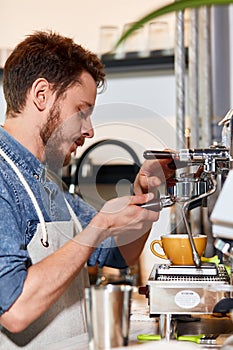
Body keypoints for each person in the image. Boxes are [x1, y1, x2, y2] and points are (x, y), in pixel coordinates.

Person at [0, 30, 173, 349]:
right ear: (42, 95)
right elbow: (14, 308)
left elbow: (118, 254)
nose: (89, 130)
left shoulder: (48, 182)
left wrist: (149, 197)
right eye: (82, 111)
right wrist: (97, 227)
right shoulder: (2, 178)